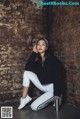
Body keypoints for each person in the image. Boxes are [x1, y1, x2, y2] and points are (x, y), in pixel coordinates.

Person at [18, 37, 64, 111]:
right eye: (38, 44)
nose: (40, 46)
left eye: (43, 44)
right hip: (42, 85)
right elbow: (27, 68)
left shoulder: (53, 59)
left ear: (46, 47)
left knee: (34, 107)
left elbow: (58, 76)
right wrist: (34, 53)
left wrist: (57, 93)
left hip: (52, 88)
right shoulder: (39, 61)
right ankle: (24, 99)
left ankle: (58, 96)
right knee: (26, 73)